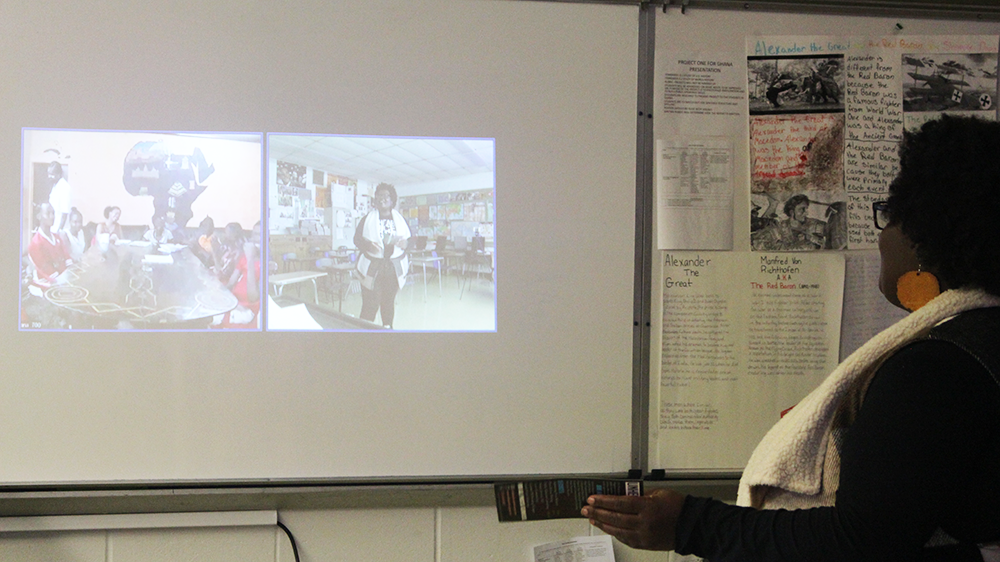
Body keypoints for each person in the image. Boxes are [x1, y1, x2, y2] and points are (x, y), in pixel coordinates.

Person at [583, 115, 1000, 562]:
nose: (883, 238)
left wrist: (689, 524)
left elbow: (860, 540)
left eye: (890, 217)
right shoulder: (979, 343)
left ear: (924, 235)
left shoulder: (933, 371)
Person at [354, 182, 410, 328]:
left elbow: (411, 240)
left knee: (388, 304)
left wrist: (406, 244)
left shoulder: (401, 220)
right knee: (369, 305)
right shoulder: (366, 220)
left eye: (386, 196)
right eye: (378, 196)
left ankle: (387, 332)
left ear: (392, 200)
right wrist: (367, 246)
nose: (381, 199)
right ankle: (362, 337)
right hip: (372, 269)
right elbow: (356, 239)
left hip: (392, 269)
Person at [751, 194, 826, 251]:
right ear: (792, 212)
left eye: (806, 209)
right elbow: (757, 243)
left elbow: (832, 231)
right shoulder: (779, 228)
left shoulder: (814, 224)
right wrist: (797, 247)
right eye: (802, 209)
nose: (806, 213)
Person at [28, 202, 72, 288]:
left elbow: (67, 259)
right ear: (39, 216)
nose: (52, 216)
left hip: (64, 281)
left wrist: (71, 275)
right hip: (48, 286)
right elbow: (48, 271)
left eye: (53, 213)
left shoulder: (57, 237)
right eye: (48, 213)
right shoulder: (36, 243)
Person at [47, 162, 72, 233]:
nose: (49, 176)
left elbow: (64, 214)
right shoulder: (55, 186)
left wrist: (58, 232)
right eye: (48, 174)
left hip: (60, 231)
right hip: (53, 229)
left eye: (52, 174)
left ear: (59, 174)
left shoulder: (64, 187)